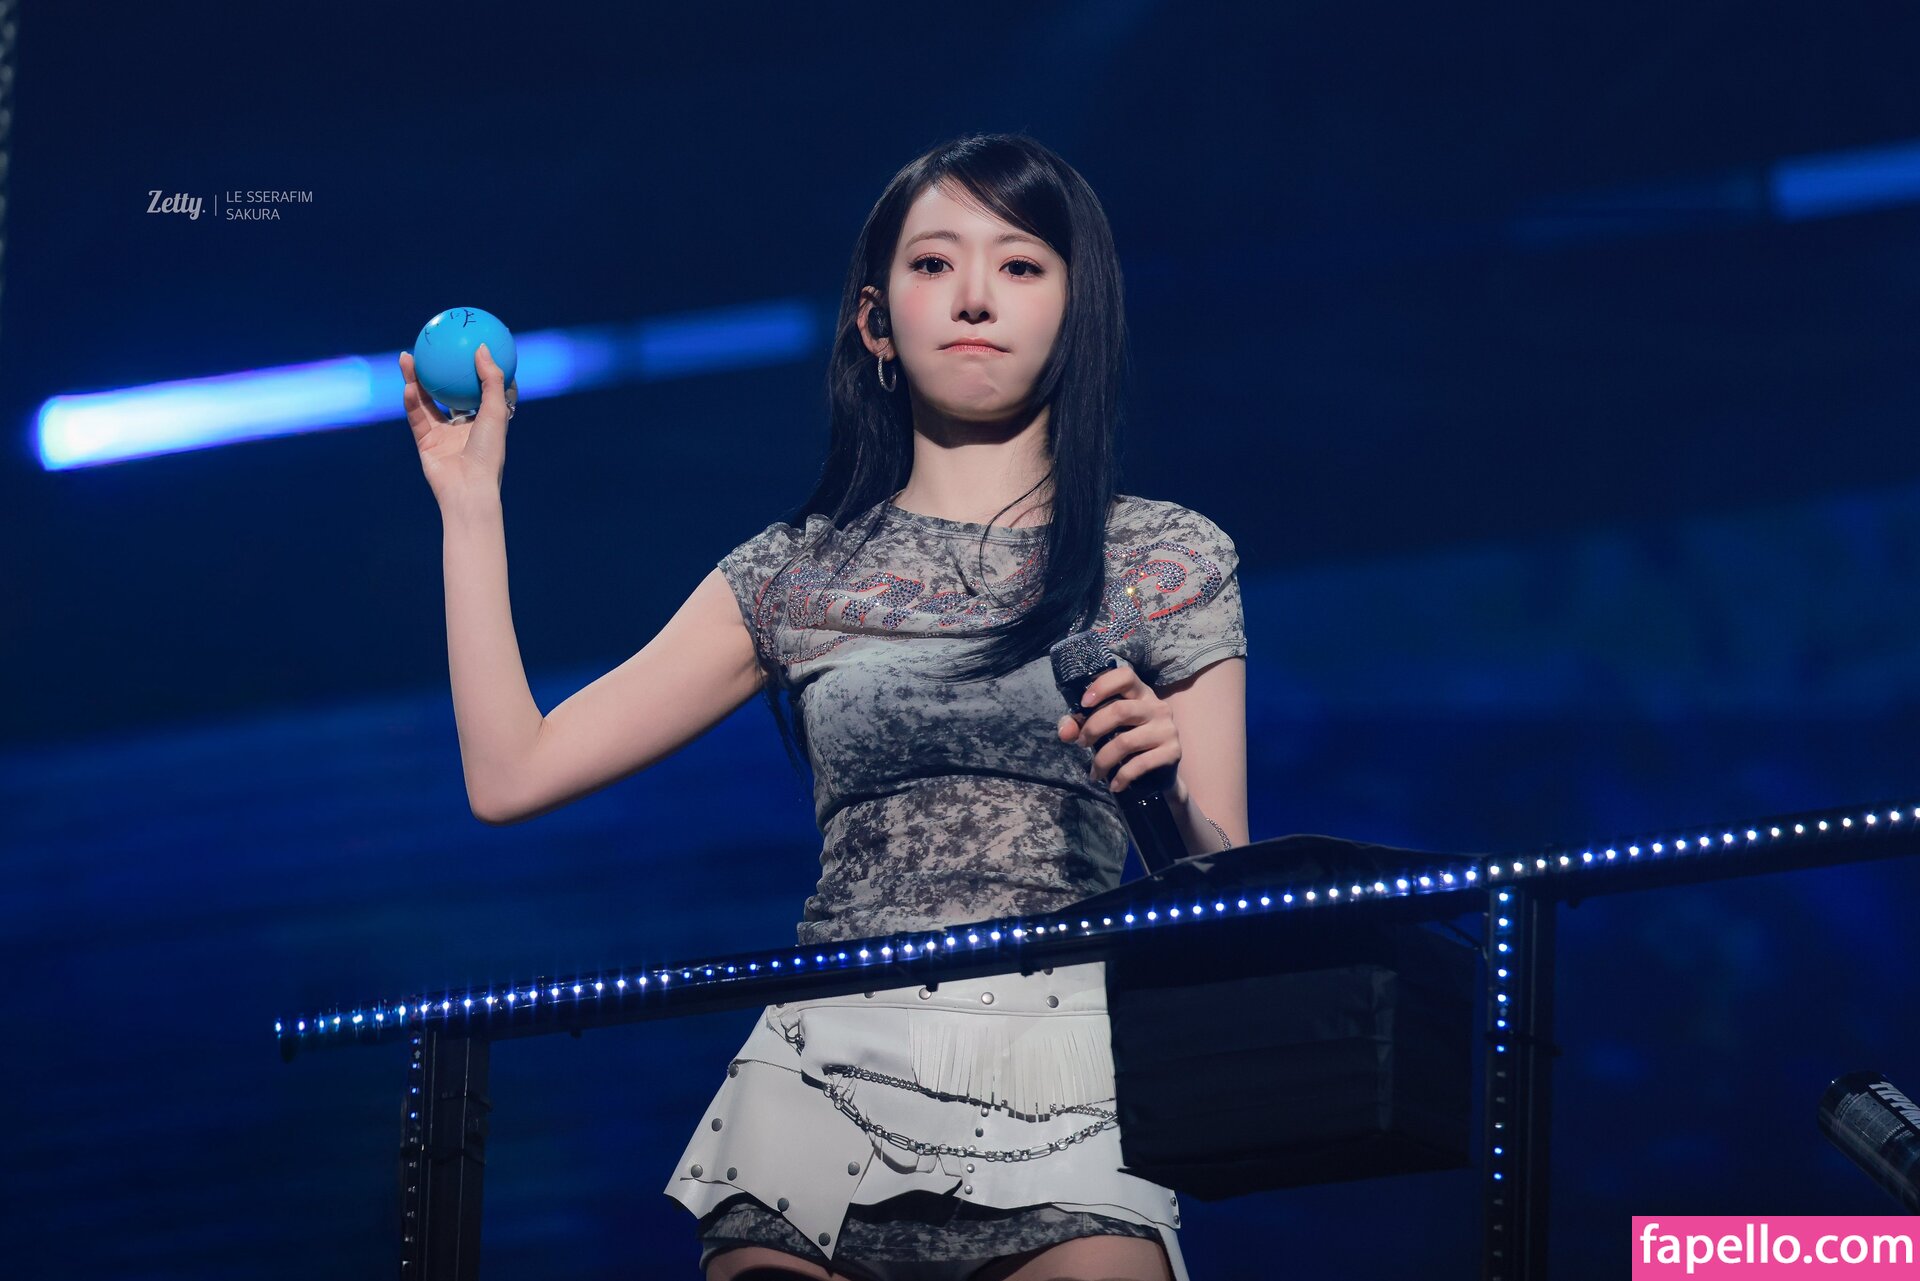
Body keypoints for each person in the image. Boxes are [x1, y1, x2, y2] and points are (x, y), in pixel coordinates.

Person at [401, 132, 1247, 1281]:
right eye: (935, 263)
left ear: (1076, 308)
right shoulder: (792, 573)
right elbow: (512, 774)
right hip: (828, 1074)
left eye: (1020, 264)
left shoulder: (1166, 557)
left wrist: (1167, 791)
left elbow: (1230, 887)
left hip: (1066, 1077)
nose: (976, 296)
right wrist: (469, 502)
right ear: (875, 322)